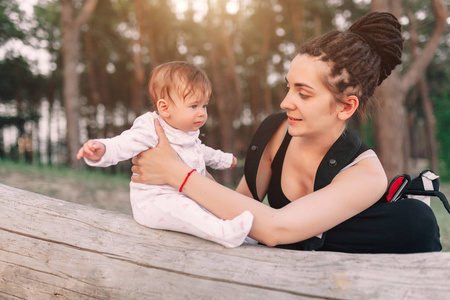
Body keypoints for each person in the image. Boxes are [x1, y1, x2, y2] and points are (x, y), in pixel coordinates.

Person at [130, 12, 442, 253]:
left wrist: (175, 173)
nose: (285, 101)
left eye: (303, 93)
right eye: (288, 86)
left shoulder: (364, 174)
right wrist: (178, 159)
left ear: (346, 107)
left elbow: (275, 228)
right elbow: (237, 209)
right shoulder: (276, 131)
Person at [77, 61, 254, 248]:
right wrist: (102, 149)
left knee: (203, 208)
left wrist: (222, 159)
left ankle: (247, 235)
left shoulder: (186, 133)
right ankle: (224, 233)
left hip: (188, 196)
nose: (202, 113)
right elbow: (124, 143)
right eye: (194, 106)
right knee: (188, 211)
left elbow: (200, 151)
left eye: (205, 105)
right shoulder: (151, 128)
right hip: (156, 201)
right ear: (165, 108)